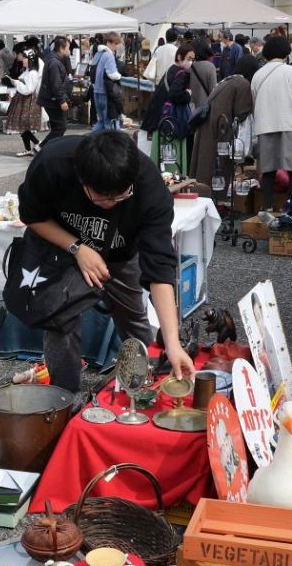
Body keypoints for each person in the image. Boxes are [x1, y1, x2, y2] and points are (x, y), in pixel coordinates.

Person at [15, 130, 194, 393]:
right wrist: (77, 248)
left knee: (133, 318)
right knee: (61, 320)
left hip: (120, 253)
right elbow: (32, 216)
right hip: (62, 248)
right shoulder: (54, 163)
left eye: (120, 196)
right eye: (100, 196)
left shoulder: (149, 187)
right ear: (81, 179)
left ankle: (144, 387)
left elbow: (160, 268)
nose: (110, 203)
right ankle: (64, 398)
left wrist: (173, 343)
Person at [250, 36, 292, 211]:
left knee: (268, 171)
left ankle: (267, 208)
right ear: (286, 53)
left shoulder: (258, 74)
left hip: (265, 126)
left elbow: (254, 100)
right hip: (291, 126)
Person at [189, 54, 259, 186]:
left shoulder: (227, 80)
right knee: (218, 171)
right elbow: (242, 113)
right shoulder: (243, 84)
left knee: (205, 165)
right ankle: (215, 195)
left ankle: (204, 192)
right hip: (221, 130)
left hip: (209, 127)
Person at [140, 43, 195, 169]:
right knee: (172, 154)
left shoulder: (172, 69)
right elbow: (175, 94)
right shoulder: (181, 73)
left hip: (158, 116)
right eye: (188, 58)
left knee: (157, 152)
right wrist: (187, 95)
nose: (191, 62)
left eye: (192, 59)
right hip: (169, 119)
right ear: (179, 57)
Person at [7, 50, 43, 156]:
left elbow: (29, 89)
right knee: (22, 126)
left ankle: (37, 143)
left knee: (23, 125)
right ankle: (31, 147)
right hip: (23, 100)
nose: (23, 60)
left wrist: (17, 83)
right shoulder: (28, 71)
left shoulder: (32, 73)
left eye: (25, 58)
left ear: (30, 60)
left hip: (28, 101)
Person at [38, 37, 72, 149]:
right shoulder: (54, 63)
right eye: (68, 48)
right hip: (53, 100)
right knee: (60, 127)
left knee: (57, 127)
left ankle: (51, 148)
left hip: (50, 99)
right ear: (61, 48)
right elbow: (56, 84)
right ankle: (42, 147)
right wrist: (62, 100)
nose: (69, 50)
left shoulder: (52, 60)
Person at [92, 32, 124, 132]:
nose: (117, 46)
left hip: (97, 91)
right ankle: (112, 142)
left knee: (101, 122)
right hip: (106, 92)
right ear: (109, 42)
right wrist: (120, 76)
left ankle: (89, 139)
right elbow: (112, 74)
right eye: (116, 43)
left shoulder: (98, 54)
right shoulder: (109, 55)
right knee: (109, 123)